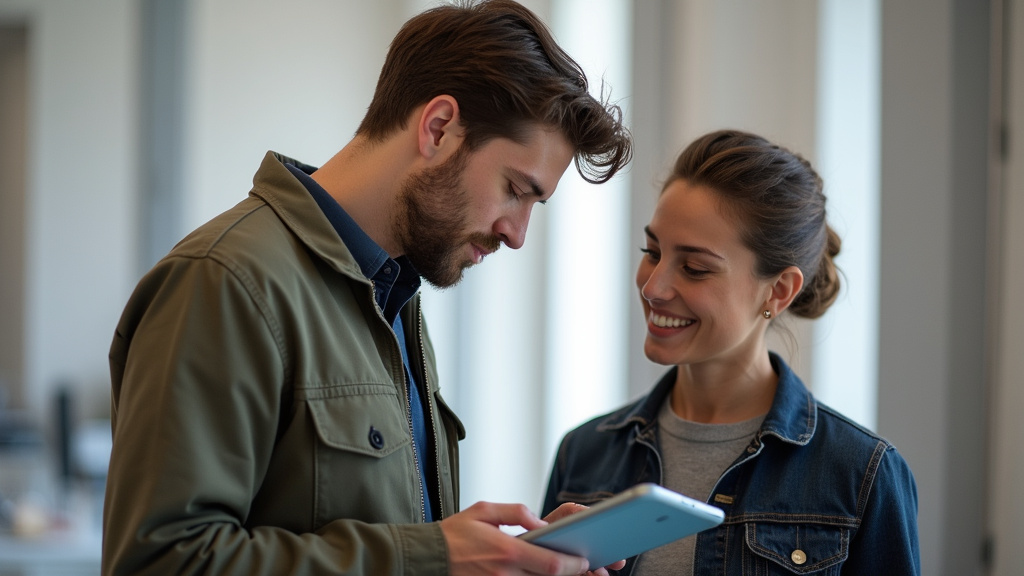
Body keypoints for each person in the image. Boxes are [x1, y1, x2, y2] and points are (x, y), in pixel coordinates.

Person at [102, 1, 632, 574]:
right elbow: (161, 561)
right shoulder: (226, 282)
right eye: (515, 189)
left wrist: (501, 561)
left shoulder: (394, 297)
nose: (517, 233)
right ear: (438, 128)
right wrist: (434, 556)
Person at [542, 129, 920, 575]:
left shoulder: (863, 474)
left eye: (694, 268)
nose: (653, 287)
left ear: (778, 291)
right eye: (652, 251)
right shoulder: (583, 453)